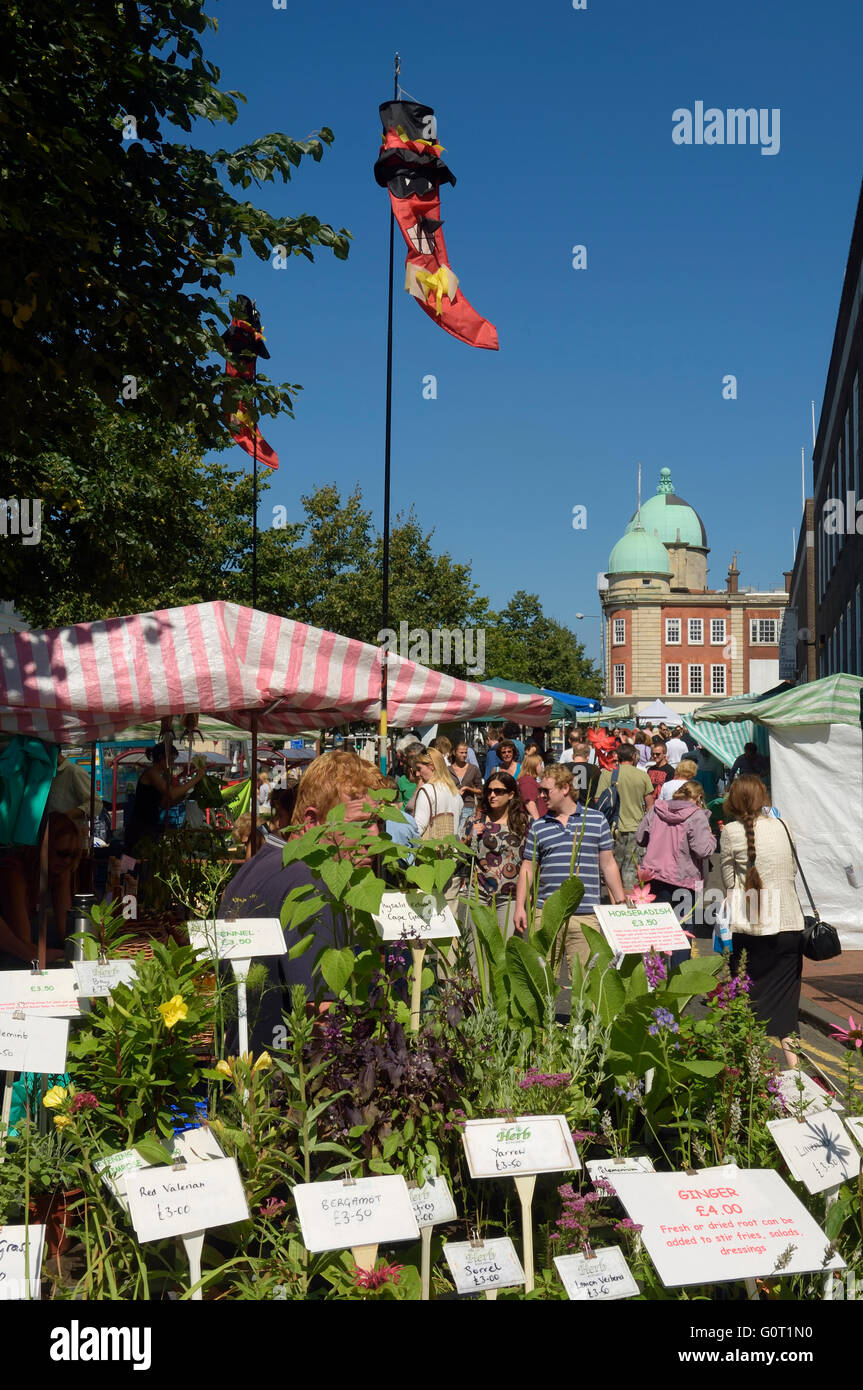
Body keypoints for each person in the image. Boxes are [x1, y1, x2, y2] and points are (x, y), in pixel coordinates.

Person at [218, 751, 388, 1050]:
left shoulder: (262, 863)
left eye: (377, 822)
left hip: (245, 1068)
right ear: (311, 821)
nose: (375, 836)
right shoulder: (313, 884)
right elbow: (321, 1017)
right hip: (288, 1079)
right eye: (360, 823)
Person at [513, 765, 627, 1009]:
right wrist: (520, 906)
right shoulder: (539, 825)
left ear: (565, 788)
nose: (540, 795)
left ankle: (585, 1037)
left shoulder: (595, 820)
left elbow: (608, 865)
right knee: (542, 980)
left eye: (546, 790)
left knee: (586, 982)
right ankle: (544, 1035)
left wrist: (620, 902)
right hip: (547, 914)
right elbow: (528, 868)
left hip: (585, 915)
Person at [719, 775, 804, 1066]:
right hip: (789, 923)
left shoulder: (730, 832)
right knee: (786, 1003)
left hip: (753, 924)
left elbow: (730, 883)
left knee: (746, 1000)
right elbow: (791, 870)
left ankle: (747, 1069)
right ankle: (797, 1070)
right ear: (762, 797)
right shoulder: (784, 825)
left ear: (733, 799)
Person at [636, 780, 716, 968]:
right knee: (682, 933)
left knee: (657, 930)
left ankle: (653, 975)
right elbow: (703, 850)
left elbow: (640, 838)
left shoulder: (657, 810)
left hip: (654, 877)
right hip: (684, 881)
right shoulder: (696, 816)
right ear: (698, 798)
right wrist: (712, 839)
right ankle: (677, 980)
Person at [466, 771, 530, 936]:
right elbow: (461, 852)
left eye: (498, 791)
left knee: (506, 948)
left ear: (511, 794)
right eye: (489, 791)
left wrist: (528, 894)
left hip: (510, 894)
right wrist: (469, 836)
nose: (492, 795)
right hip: (478, 891)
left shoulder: (522, 822)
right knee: (477, 951)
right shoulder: (476, 820)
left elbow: (530, 861)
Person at [123, 744, 205, 856]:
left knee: (146, 866)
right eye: (171, 759)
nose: (172, 764)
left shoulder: (158, 776)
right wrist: (196, 779)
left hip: (150, 828)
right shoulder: (152, 773)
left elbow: (165, 804)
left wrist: (186, 794)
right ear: (162, 758)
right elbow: (171, 793)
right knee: (139, 866)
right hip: (140, 830)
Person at [596, 744, 654, 891]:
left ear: (617, 756)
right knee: (631, 872)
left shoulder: (607, 773)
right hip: (636, 829)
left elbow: (598, 800)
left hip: (611, 829)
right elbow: (650, 806)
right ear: (634, 757)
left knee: (611, 870)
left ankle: (615, 906)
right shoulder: (642, 775)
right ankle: (629, 906)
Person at [412, 749, 463, 840]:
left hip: (433, 850)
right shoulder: (455, 792)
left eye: (419, 769)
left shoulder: (427, 790)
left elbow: (418, 828)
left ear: (431, 766)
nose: (417, 774)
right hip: (452, 850)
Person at [448, 740, 483, 822]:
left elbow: (480, 791)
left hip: (468, 805)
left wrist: (468, 788)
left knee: (465, 832)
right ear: (454, 752)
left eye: (465, 752)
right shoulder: (447, 770)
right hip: (451, 806)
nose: (464, 755)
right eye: (461, 752)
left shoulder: (473, 769)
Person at [517, 753, 547, 821]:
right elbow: (529, 802)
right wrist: (538, 822)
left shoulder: (530, 780)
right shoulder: (527, 781)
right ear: (533, 766)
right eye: (540, 764)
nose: (542, 767)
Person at [645, 740, 673, 805]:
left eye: (658, 754)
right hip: (650, 803)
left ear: (664, 754)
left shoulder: (670, 770)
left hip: (663, 804)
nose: (655, 756)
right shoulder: (650, 769)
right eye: (653, 754)